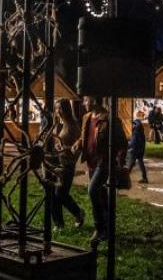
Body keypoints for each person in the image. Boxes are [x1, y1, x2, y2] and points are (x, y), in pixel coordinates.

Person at [72, 96, 127, 243]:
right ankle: (108, 228)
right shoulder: (87, 117)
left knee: (92, 190)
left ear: (94, 100)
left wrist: (119, 164)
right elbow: (85, 136)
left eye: (85, 100)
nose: (83, 103)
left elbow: (122, 142)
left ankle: (99, 228)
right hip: (91, 162)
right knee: (101, 196)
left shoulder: (110, 119)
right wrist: (78, 143)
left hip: (104, 163)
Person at [52, 99, 84, 231]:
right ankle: (59, 224)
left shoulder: (73, 126)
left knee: (60, 193)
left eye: (60, 108)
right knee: (55, 194)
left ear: (66, 110)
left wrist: (64, 148)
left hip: (67, 165)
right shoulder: (60, 125)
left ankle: (78, 213)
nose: (58, 111)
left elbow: (77, 148)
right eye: (56, 108)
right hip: (56, 163)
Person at [126, 118, 148, 183]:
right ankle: (144, 178)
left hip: (135, 150)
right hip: (141, 150)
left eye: (134, 124)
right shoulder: (141, 132)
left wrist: (128, 146)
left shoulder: (136, 132)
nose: (133, 125)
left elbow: (133, 143)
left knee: (131, 164)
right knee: (140, 164)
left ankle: (125, 178)